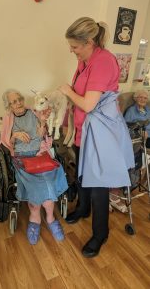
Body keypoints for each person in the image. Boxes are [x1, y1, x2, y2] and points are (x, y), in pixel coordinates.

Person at [58, 17, 134, 257]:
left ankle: (100, 234)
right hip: (84, 131)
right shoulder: (85, 60)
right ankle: (82, 208)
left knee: (99, 185)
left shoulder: (103, 61)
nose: (71, 50)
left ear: (89, 42)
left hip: (100, 133)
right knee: (82, 174)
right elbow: (80, 98)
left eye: (75, 46)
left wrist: (66, 91)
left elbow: (88, 104)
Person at [0, 89, 68, 245]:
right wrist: (14, 136)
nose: (18, 103)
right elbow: (6, 144)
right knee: (35, 185)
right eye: (14, 101)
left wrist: (42, 126)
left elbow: (42, 135)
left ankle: (50, 217)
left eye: (19, 99)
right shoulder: (8, 119)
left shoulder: (34, 113)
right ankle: (35, 218)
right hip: (22, 159)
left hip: (40, 154)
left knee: (48, 180)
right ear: (9, 106)